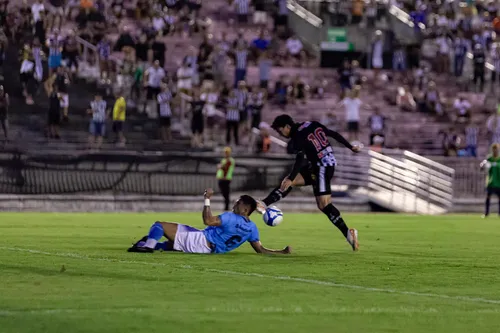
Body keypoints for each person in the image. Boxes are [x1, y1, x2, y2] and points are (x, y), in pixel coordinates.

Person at [257, 114, 360, 251]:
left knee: (324, 204)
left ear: (288, 126)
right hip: (318, 165)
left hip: (323, 166)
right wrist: (350, 146)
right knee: (290, 183)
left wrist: (291, 177)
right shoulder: (312, 124)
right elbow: (333, 134)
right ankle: (263, 203)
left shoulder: (297, 136)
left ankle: (349, 234)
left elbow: (300, 159)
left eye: (280, 130)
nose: (281, 134)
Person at [127, 189, 291, 255]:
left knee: (159, 225)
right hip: (210, 249)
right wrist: (282, 252)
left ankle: (147, 247)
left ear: (245, 209)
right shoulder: (252, 228)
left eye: (238, 203)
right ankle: (147, 243)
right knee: (168, 244)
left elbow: (208, 220)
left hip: (201, 242)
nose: (234, 204)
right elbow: (261, 250)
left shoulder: (230, 217)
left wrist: (207, 200)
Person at [480, 144, 500, 217]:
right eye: (494, 149)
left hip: (499, 182)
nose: (495, 151)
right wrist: (482, 165)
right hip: (491, 182)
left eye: (496, 149)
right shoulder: (489, 159)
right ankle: (486, 213)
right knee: (488, 197)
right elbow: (482, 166)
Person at [217, 147, 235, 211]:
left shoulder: (230, 160)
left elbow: (225, 167)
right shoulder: (224, 160)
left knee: (226, 194)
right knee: (224, 193)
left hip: (226, 179)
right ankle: (226, 207)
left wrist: (220, 166)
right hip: (221, 178)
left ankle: (226, 207)